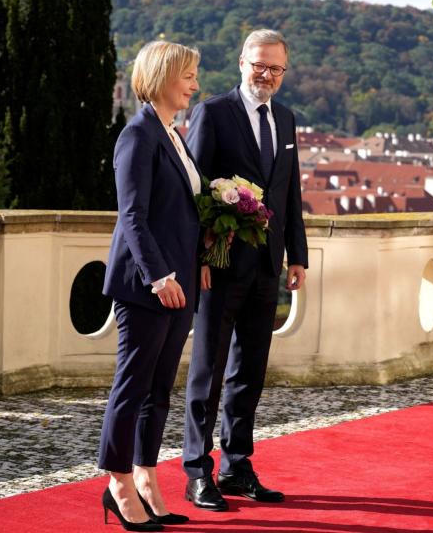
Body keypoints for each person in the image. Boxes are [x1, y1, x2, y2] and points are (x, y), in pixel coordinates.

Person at [183, 29, 308, 510]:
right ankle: (198, 471)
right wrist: (197, 259)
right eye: (260, 65)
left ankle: (237, 466)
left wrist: (297, 255)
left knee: (249, 371)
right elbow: (194, 191)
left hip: (266, 267)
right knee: (207, 372)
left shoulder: (287, 118)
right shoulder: (213, 113)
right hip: (218, 264)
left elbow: (288, 194)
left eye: (276, 68)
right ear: (241, 63)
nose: (267, 75)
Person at [98, 40, 203, 531]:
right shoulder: (138, 135)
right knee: (133, 385)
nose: (195, 84)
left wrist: (196, 263)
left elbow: (181, 214)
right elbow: (133, 217)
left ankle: (145, 475)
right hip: (148, 286)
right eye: (189, 75)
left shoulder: (173, 134)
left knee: (159, 390)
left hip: (182, 283)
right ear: (163, 76)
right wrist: (159, 276)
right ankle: (116, 481)